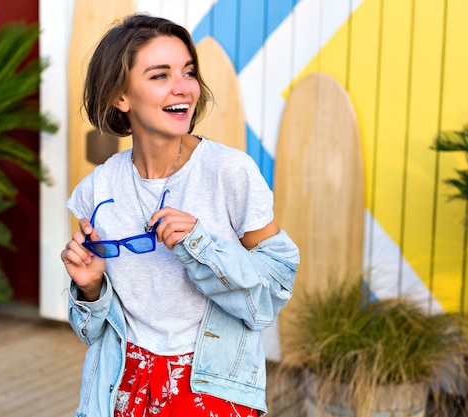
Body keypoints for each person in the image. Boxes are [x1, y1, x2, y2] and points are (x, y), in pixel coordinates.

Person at [60, 13, 300, 417]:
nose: (183, 87)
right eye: (160, 75)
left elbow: (274, 291)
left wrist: (202, 247)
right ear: (122, 96)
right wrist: (90, 289)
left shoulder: (230, 173)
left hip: (211, 385)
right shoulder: (96, 193)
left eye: (188, 71)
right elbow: (91, 332)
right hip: (122, 385)